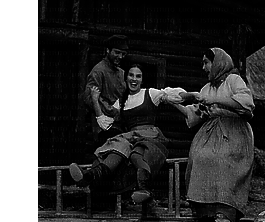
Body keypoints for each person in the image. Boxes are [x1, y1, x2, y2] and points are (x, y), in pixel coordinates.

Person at [71, 64, 186, 205]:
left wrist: (192, 96)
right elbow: (106, 123)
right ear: (126, 79)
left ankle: (144, 189)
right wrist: (95, 100)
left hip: (149, 135)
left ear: (142, 80)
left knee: (136, 153)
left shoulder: (150, 93)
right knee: (117, 147)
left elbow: (172, 95)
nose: (134, 79)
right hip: (131, 136)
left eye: (138, 76)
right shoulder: (121, 101)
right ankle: (89, 176)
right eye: (131, 75)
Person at [171, 48, 256, 222]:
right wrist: (173, 101)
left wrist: (214, 99)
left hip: (233, 131)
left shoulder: (234, 80)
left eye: (206, 62)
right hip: (211, 131)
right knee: (200, 156)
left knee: (223, 159)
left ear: (217, 63)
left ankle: (226, 218)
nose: (203, 67)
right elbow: (195, 115)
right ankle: (207, 211)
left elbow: (246, 103)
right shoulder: (206, 87)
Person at [83, 34, 129, 147]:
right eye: (117, 52)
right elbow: (89, 98)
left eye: (123, 54)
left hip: (121, 125)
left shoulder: (122, 73)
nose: (120, 56)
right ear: (108, 51)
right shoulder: (98, 71)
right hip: (104, 127)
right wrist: (112, 110)